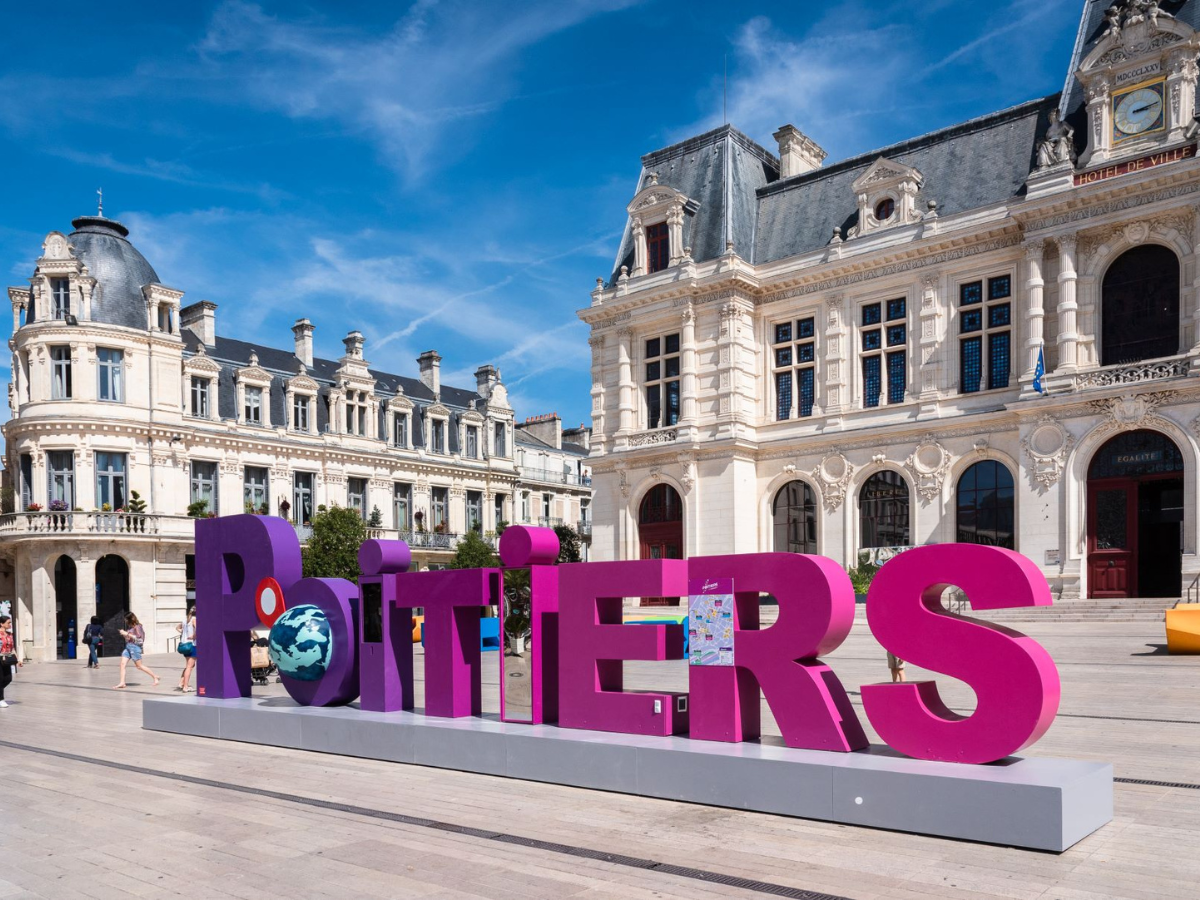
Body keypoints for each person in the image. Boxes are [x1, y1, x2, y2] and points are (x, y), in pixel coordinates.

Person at [114, 612, 159, 689]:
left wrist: (127, 634)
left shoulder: (138, 627)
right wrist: (125, 635)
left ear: (129, 619)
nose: (125, 621)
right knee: (122, 664)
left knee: (139, 666)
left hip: (135, 648)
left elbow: (139, 639)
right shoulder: (130, 627)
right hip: (128, 647)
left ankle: (155, 677)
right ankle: (122, 682)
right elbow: (130, 638)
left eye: (125, 619)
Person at [0, 615, 21, 708]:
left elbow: (12, 648)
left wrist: (17, 659)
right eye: (8, 622)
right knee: (0, 680)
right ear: (1, 624)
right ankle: (1, 699)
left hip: (7, 659)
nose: (10, 624)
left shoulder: (9, 634)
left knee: (8, 678)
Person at [175, 608, 197, 692]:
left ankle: (181, 683)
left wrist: (183, 633)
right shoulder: (194, 619)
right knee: (189, 666)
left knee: (189, 665)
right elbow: (198, 629)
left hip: (184, 645)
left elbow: (177, 628)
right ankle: (186, 686)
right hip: (192, 645)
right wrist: (193, 636)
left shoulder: (185, 620)